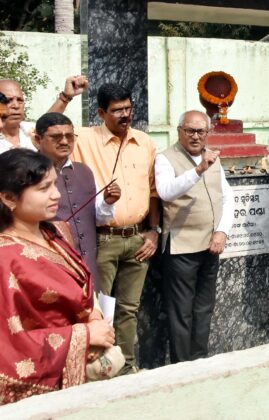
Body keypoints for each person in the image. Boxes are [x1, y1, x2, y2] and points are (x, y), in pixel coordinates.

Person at [0, 149, 115, 404]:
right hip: (46, 386)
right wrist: (85, 336)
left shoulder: (53, 232)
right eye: (43, 188)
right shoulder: (6, 257)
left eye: (55, 184)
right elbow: (8, 343)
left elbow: (81, 286)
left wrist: (96, 320)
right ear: (8, 198)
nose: (56, 195)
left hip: (84, 360)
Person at [72, 83, 160, 375]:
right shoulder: (85, 139)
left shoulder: (145, 142)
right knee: (99, 310)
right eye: (117, 110)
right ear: (101, 113)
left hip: (137, 239)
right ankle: (101, 371)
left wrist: (153, 230)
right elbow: (43, 134)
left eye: (128, 108)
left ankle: (127, 368)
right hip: (102, 240)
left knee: (128, 309)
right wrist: (65, 97)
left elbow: (153, 192)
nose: (125, 115)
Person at [154, 110, 233, 362]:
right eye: (190, 130)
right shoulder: (166, 158)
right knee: (181, 313)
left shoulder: (213, 158)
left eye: (201, 131)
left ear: (208, 133)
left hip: (210, 245)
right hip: (180, 249)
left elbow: (227, 197)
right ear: (179, 131)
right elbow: (166, 192)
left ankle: (200, 362)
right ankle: (181, 366)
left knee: (204, 310)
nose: (196, 136)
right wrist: (198, 170)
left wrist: (222, 231)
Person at [33, 112, 120, 291]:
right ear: (37, 139)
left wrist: (108, 203)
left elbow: (99, 219)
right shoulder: (27, 174)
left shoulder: (84, 171)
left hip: (87, 269)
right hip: (48, 269)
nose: (64, 142)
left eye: (69, 136)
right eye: (56, 137)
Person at [0, 76, 87, 154]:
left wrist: (66, 97)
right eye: (8, 100)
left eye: (20, 100)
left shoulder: (29, 131)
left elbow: (47, 122)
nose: (16, 106)